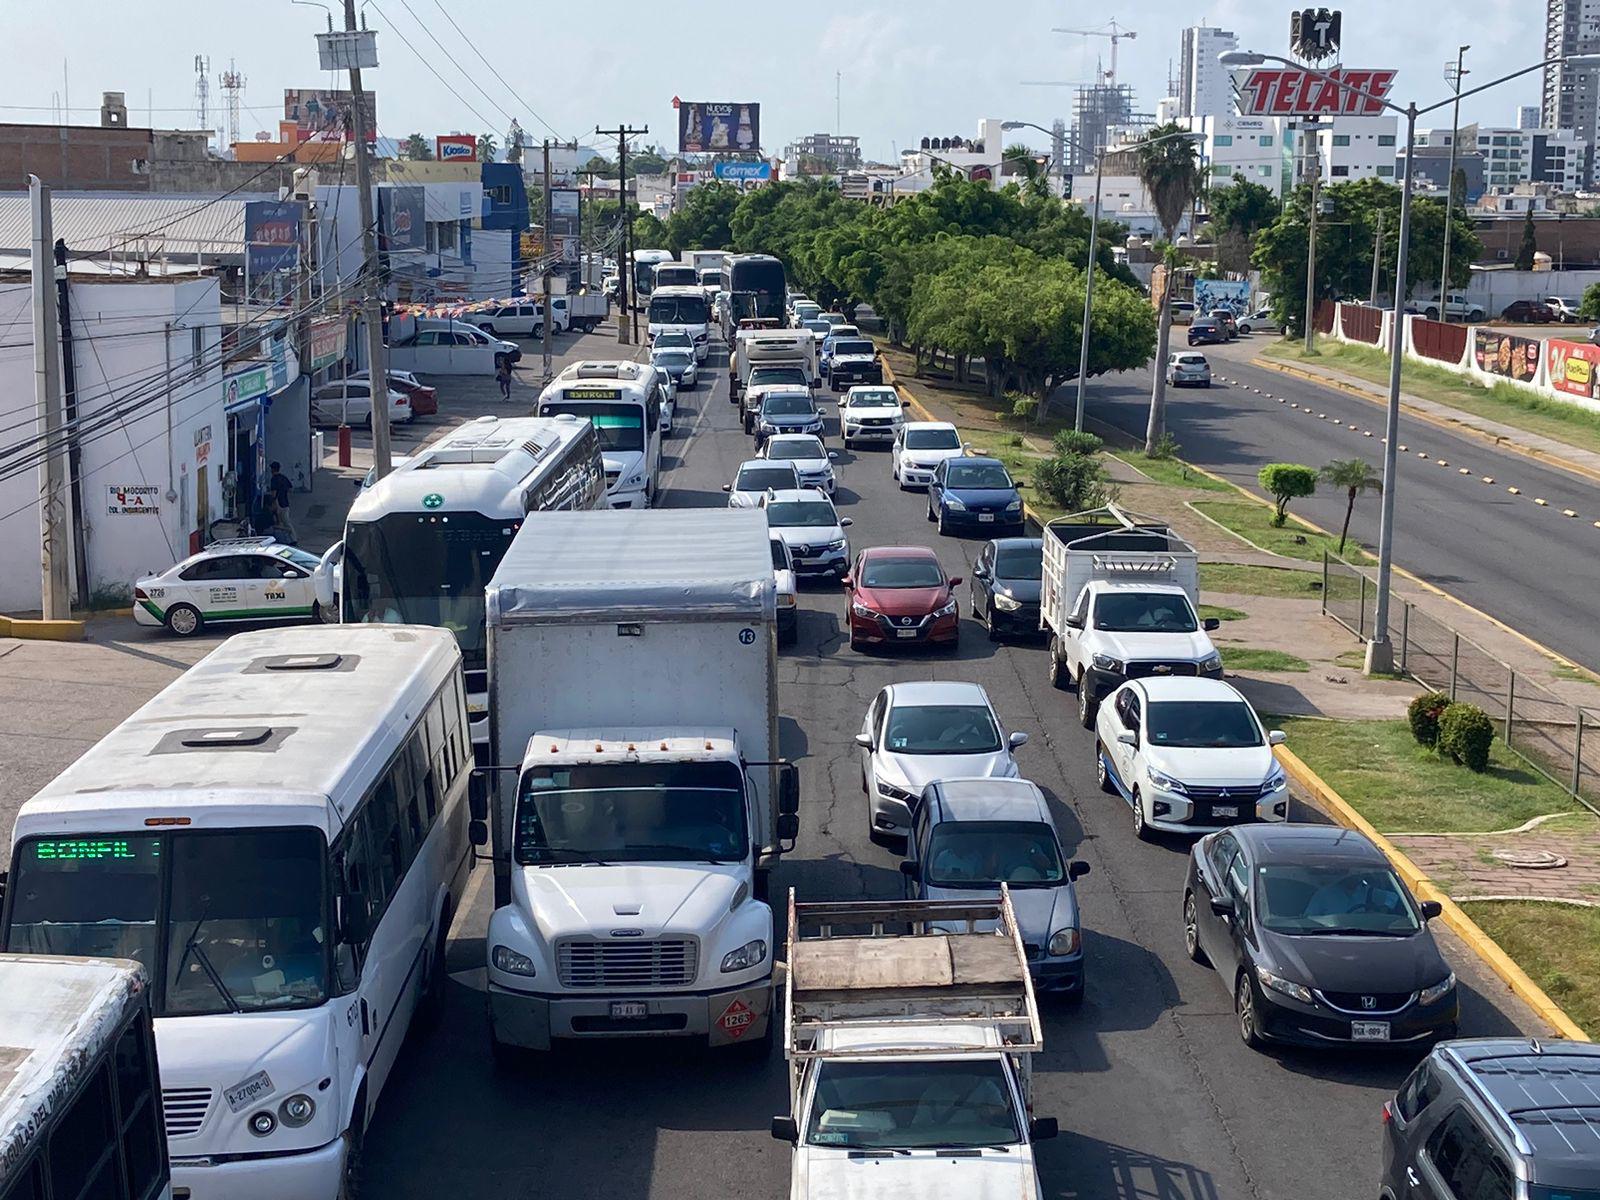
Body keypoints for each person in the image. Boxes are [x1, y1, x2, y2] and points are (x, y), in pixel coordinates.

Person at [267, 461, 296, 543]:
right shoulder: (283, 477)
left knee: (282, 523)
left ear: (272, 469)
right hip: (285, 502)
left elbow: (274, 493)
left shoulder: (274, 479)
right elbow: (290, 488)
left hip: (278, 504)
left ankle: (292, 539)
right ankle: (290, 539)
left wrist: (272, 502)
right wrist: (283, 491)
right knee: (286, 521)